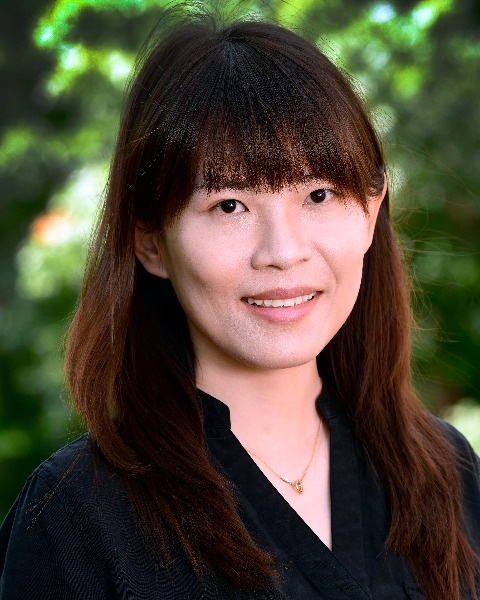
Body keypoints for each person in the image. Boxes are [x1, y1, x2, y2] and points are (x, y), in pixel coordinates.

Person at [0, 10, 479, 600]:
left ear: (373, 207)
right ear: (150, 240)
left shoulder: (447, 473)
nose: (284, 252)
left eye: (319, 194)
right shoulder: (76, 519)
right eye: (229, 205)